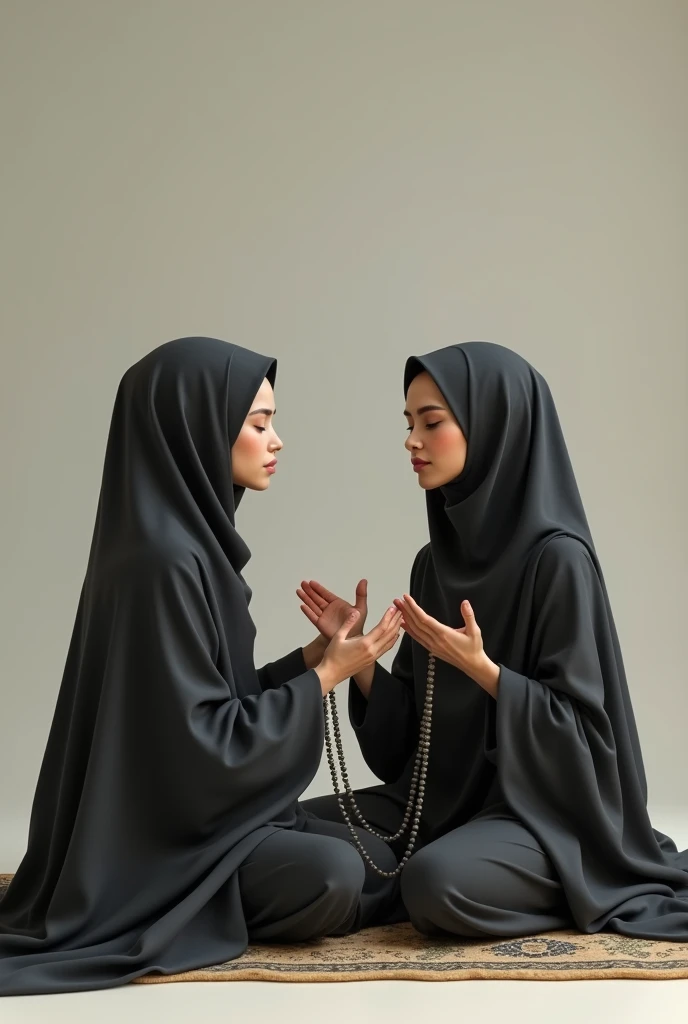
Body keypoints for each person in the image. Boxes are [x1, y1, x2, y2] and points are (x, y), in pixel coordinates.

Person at [0, 336, 402, 996]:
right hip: (163, 845)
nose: (276, 442)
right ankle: (197, 908)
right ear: (196, 430)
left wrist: (314, 657)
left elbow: (218, 703)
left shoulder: (182, 549)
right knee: (336, 872)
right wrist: (329, 677)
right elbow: (203, 747)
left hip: (200, 814)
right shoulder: (164, 564)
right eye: (259, 424)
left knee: (378, 850)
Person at [301, 341, 688, 941]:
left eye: (432, 422)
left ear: (494, 428)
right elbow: (412, 743)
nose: (412, 441)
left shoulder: (557, 561)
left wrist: (485, 671)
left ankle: (570, 888)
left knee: (435, 883)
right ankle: (401, 878)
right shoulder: (433, 565)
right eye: (408, 424)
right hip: (438, 805)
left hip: (545, 816)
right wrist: (357, 660)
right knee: (280, 824)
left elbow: (586, 742)